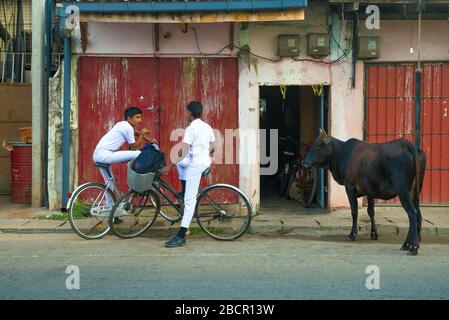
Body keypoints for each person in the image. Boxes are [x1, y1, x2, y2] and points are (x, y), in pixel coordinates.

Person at [161, 101, 215, 248]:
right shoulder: (206, 126)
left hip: (196, 167)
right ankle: (185, 190)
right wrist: (202, 155)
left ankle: (181, 236)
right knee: (181, 163)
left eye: (187, 112)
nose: (187, 115)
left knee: (189, 201)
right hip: (205, 163)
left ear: (190, 113)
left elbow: (183, 151)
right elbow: (212, 146)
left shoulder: (191, 128)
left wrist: (169, 165)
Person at [92, 106, 156, 211]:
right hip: (105, 155)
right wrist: (143, 135)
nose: (140, 120)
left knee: (110, 185)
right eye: (137, 117)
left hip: (99, 155)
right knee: (138, 153)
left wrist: (148, 139)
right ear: (130, 118)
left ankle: (110, 211)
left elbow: (136, 133)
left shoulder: (122, 124)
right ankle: (139, 177)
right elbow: (134, 146)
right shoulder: (127, 127)